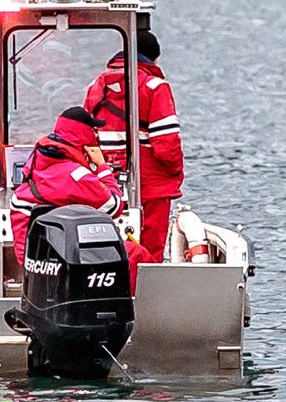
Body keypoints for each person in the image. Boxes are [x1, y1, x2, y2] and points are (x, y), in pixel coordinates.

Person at [83, 23, 185, 261]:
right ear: (153, 58)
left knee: (108, 247)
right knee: (149, 251)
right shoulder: (154, 87)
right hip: (151, 185)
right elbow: (167, 145)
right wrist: (174, 173)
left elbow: (86, 137)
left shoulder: (96, 87)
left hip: (107, 183)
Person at [10, 100, 123, 252]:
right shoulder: (77, 175)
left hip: (30, 256)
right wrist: (102, 167)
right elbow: (114, 207)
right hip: (68, 256)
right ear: (87, 136)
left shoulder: (38, 159)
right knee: (137, 253)